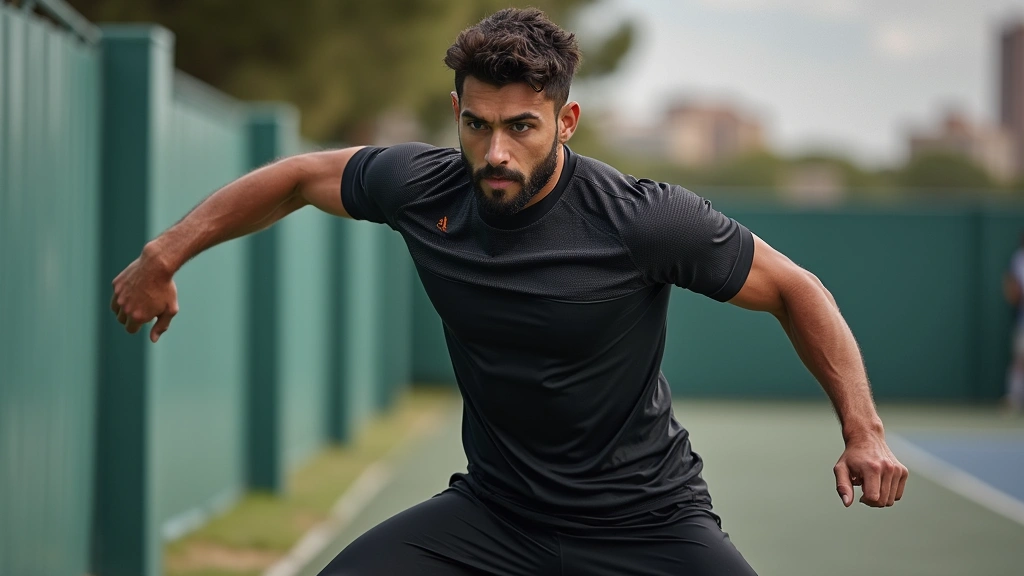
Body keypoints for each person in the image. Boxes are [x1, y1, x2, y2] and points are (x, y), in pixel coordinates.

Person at [110, 8, 909, 575]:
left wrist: (864, 431)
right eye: (478, 125)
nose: (495, 151)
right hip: (495, 516)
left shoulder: (643, 220)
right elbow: (297, 177)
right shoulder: (423, 188)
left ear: (565, 121)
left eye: (521, 126)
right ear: (456, 112)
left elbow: (797, 290)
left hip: (646, 523)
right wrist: (165, 252)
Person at [1003, 233, 1024, 414]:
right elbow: (1012, 290)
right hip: (1022, 320)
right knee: (1020, 360)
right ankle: (1014, 400)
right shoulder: (1018, 258)